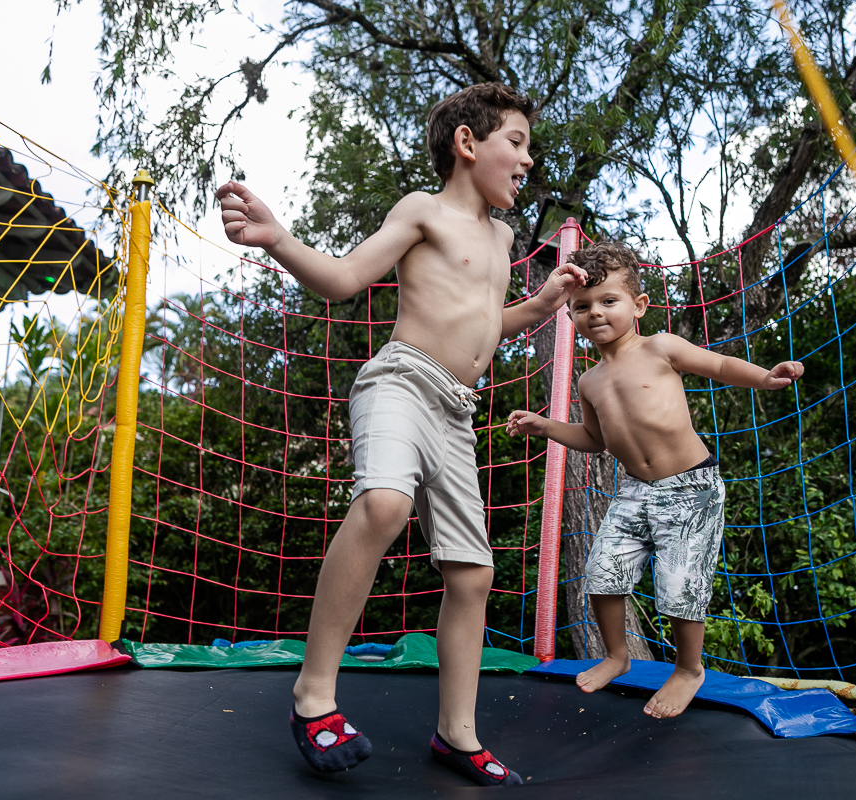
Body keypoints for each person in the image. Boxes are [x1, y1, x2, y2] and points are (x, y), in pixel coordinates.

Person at [215, 83, 586, 786]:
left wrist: (536, 306)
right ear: (467, 144)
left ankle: (457, 732)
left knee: (473, 573)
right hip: (401, 381)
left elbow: (483, 322)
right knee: (384, 504)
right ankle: (314, 696)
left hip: (456, 409)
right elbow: (345, 279)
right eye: (517, 142)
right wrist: (278, 238)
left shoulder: (505, 236)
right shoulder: (425, 210)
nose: (528, 160)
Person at [506, 241, 802, 719]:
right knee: (602, 574)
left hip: (690, 489)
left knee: (680, 588)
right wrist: (544, 426)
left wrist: (766, 377)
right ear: (570, 316)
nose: (595, 313)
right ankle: (617, 655)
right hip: (632, 491)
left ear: (639, 306)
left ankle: (689, 669)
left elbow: (721, 365)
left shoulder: (659, 347)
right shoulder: (590, 382)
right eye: (582, 307)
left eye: (608, 301)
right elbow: (594, 439)